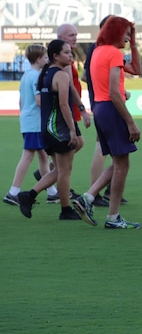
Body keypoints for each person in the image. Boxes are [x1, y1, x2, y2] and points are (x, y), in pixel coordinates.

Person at [72, 16, 141, 229]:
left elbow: (136, 69)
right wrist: (130, 122)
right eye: (126, 33)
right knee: (122, 164)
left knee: (119, 163)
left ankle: (89, 197)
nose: (128, 38)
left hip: (101, 109)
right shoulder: (113, 53)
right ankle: (113, 217)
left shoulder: (99, 51)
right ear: (116, 32)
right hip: (111, 109)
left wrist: (135, 43)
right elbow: (113, 91)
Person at [17, 40, 82, 220]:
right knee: (64, 171)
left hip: (47, 128)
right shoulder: (61, 75)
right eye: (67, 52)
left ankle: (29, 195)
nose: (71, 56)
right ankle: (65, 210)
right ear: (55, 56)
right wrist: (71, 130)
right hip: (58, 128)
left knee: (61, 167)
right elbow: (63, 104)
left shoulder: (44, 74)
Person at [5, 45, 52, 206]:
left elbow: (21, 101)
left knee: (43, 155)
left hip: (28, 119)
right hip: (35, 122)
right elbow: (39, 101)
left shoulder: (26, 76)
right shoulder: (36, 77)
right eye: (45, 57)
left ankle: (52, 192)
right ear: (39, 59)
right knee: (28, 155)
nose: (47, 60)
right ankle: (13, 191)